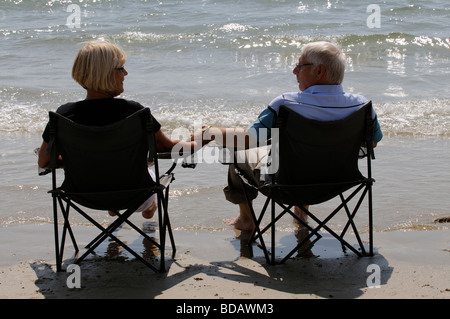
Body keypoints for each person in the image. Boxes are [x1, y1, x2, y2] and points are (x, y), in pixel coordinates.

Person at [193, 41, 383, 231]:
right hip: (338, 183)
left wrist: (210, 133)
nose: (294, 71)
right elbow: (372, 143)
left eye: (300, 66)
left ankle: (246, 220)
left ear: (319, 71)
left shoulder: (286, 104)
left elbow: (248, 140)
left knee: (237, 155)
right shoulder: (362, 106)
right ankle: (301, 214)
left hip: (286, 186)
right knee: (311, 154)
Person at [38, 39, 197, 219]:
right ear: (106, 73)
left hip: (82, 196)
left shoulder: (63, 115)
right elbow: (168, 148)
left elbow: (43, 162)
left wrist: (83, 161)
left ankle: (115, 204)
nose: (126, 73)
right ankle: (150, 207)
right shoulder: (135, 113)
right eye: (121, 68)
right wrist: (203, 139)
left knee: (126, 167)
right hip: (135, 194)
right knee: (148, 170)